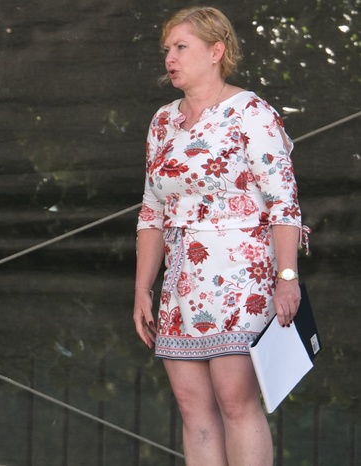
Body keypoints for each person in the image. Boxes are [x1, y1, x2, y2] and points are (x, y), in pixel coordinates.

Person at [132, 6, 309, 466]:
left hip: (242, 275)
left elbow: (284, 202)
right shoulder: (162, 122)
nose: (170, 58)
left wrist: (287, 276)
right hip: (180, 279)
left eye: (181, 47)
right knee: (193, 409)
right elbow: (152, 210)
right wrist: (142, 289)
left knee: (235, 401)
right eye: (167, 49)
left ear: (216, 51)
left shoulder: (251, 112)